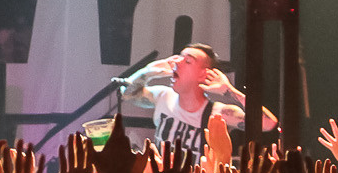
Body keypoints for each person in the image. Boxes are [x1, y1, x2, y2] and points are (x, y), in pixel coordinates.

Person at [118, 43, 275, 158]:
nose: (176, 63)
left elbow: (269, 124)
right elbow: (127, 94)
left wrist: (230, 91)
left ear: (204, 74)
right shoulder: (163, 96)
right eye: (178, 58)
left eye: (187, 61)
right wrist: (148, 72)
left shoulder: (218, 114)